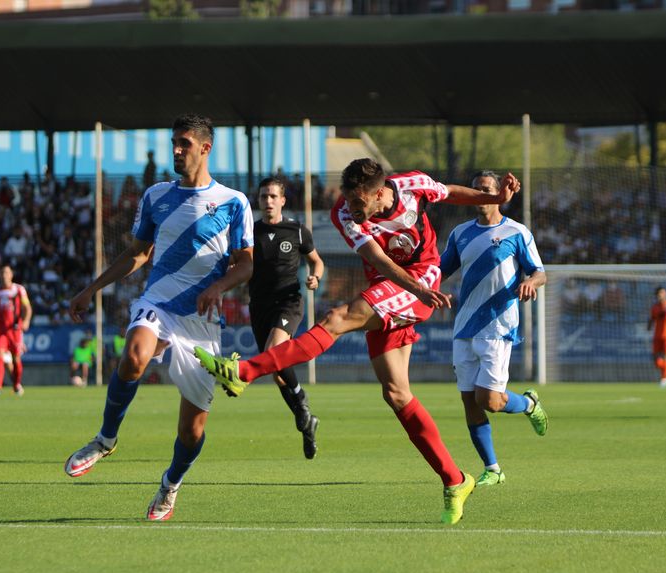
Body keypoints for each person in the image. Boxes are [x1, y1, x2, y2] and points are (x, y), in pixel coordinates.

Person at [196, 158, 521, 525]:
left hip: (422, 278)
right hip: (393, 283)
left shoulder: (413, 186)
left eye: (358, 202)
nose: (350, 209)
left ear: (379, 192)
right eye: (347, 200)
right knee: (396, 393)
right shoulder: (345, 214)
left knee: (336, 319)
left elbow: (448, 192)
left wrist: (488, 198)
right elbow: (379, 261)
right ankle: (455, 479)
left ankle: (244, 370)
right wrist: (413, 288)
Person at [63, 114, 254, 523]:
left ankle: (170, 485)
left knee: (192, 431)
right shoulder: (155, 196)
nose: (177, 150)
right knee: (133, 355)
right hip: (159, 301)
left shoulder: (234, 201)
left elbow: (246, 264)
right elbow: (137, 254)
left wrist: (219, 287)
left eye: (185, 143)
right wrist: (91, 289)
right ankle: (105, 438)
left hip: (202, 322)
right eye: (174, 143)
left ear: (206, 148)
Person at [440, 171, 549, 488]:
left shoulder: (516, 231)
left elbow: (540, 273)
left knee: (490, 400)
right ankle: (493, 468)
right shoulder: (460, 233)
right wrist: (422, 289)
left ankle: (529, 404)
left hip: (498, 325)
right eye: (476, 190)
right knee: (469, 401)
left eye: (486, 189)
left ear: (499, 192)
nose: (480, 194)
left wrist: (530, 282)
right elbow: (440, 270)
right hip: (464, 326)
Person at [249, 176, 325, 459]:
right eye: (263, 197)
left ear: (282, 200)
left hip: (288, 302)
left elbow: (316, 260)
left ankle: (302, 401)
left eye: (272, 196)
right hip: (259, 306)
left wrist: (315, 277)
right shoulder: (249, 231)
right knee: (274, 370)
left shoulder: (297, 231)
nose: (267, 201)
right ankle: (307, 425)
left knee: (273, 352)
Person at [0, 264, 32, 396]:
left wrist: (26, 321)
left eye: (7, 273)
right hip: (0, 331)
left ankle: (16, 384)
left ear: (11, 275)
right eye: (2, 273)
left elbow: (27, 308)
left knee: (16, 360)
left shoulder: (18, 290)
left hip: (15, 330)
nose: (4, 275)